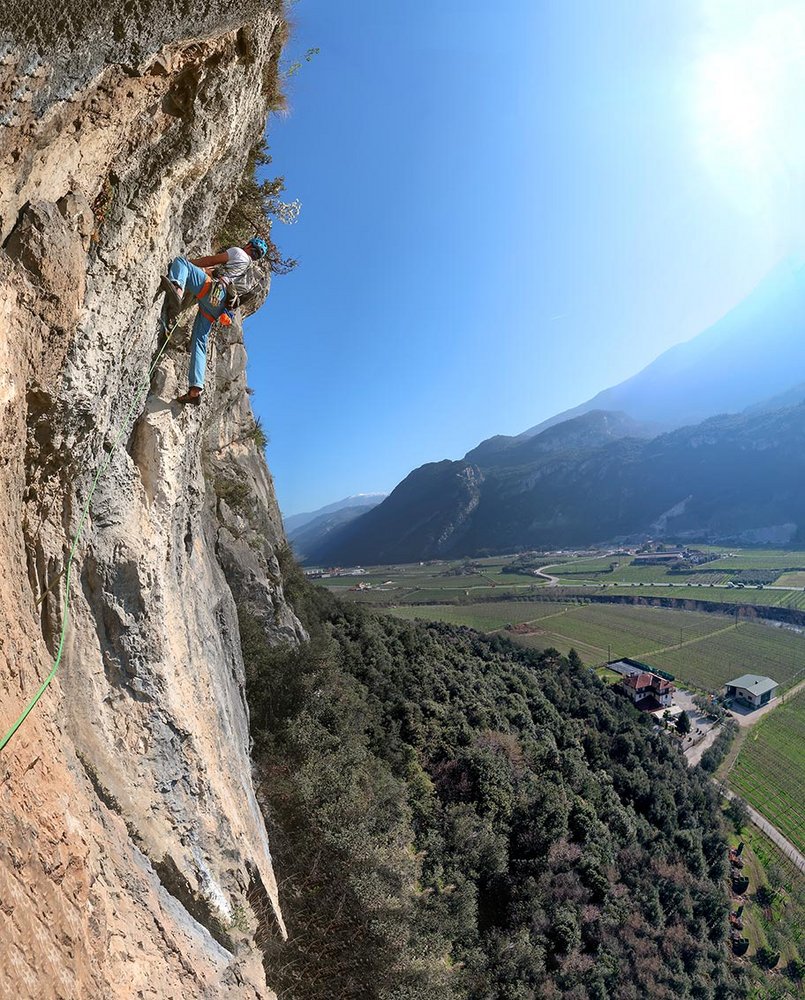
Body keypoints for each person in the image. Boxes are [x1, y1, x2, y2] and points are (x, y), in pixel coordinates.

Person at [161, 236, 269, 405]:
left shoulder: (238, 253)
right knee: (200, 342)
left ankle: (177, 289)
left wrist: (191, 264)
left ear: (248, 245)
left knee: (181, 262)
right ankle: (195, 389)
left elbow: (210, 260)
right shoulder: (249, 274)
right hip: (220, 307)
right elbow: (222, 275)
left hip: (212, 291)